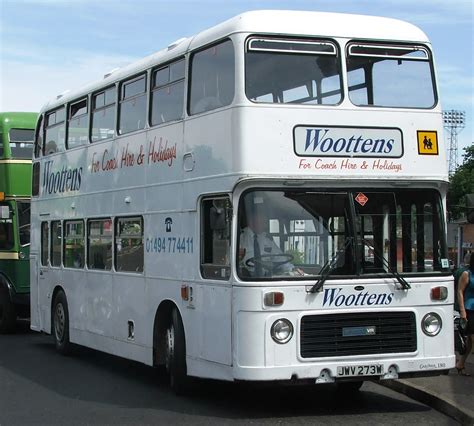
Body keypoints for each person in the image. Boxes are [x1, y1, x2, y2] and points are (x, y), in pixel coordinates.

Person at [456, 251, 474, 376]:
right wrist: (463, 312)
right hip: (470, 309)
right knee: (472, 339)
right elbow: (460, 292)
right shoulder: (466, 274)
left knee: (470, 342)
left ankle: (461, 363)